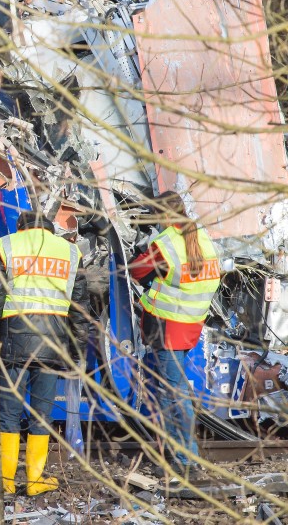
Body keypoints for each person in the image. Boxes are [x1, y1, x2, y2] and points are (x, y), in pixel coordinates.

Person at [0, 210, 90, 496]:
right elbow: (80, 309)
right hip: (53, 343)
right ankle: (35, 481)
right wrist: (77, 351)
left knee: (8, 413)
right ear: (49, 228)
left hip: (12, 340)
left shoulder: (6, 245)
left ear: (20, 226)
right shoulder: (70, 253)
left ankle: (5, 481)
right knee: (42, 414)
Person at [129, 191, 220, 473]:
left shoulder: (167, 243)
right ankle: (180, 458)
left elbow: (137, 271)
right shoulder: (203, 237)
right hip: (190, 325)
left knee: (174, 394)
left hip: (167, 327)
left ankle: (185, 461)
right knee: (173, 391)